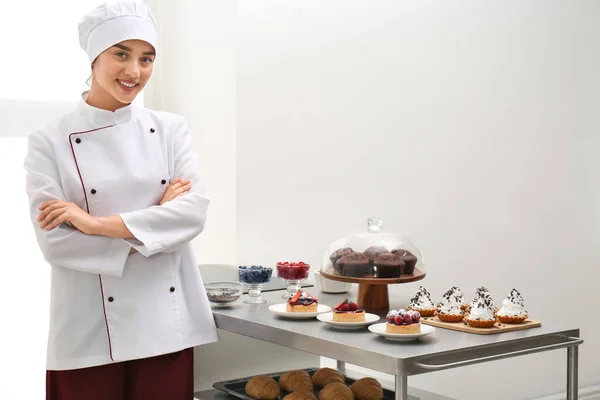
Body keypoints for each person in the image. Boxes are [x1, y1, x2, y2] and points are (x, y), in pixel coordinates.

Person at [23, 2, 219, 399]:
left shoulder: (170, 130)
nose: (135, 71)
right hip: (87, 327)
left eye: (146, 58)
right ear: (94, 57)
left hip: (166, 324)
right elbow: (56, 242)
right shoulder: (49, 141)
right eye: (121, 54)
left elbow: (192, 215)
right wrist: (156, 225)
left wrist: (93, 223)